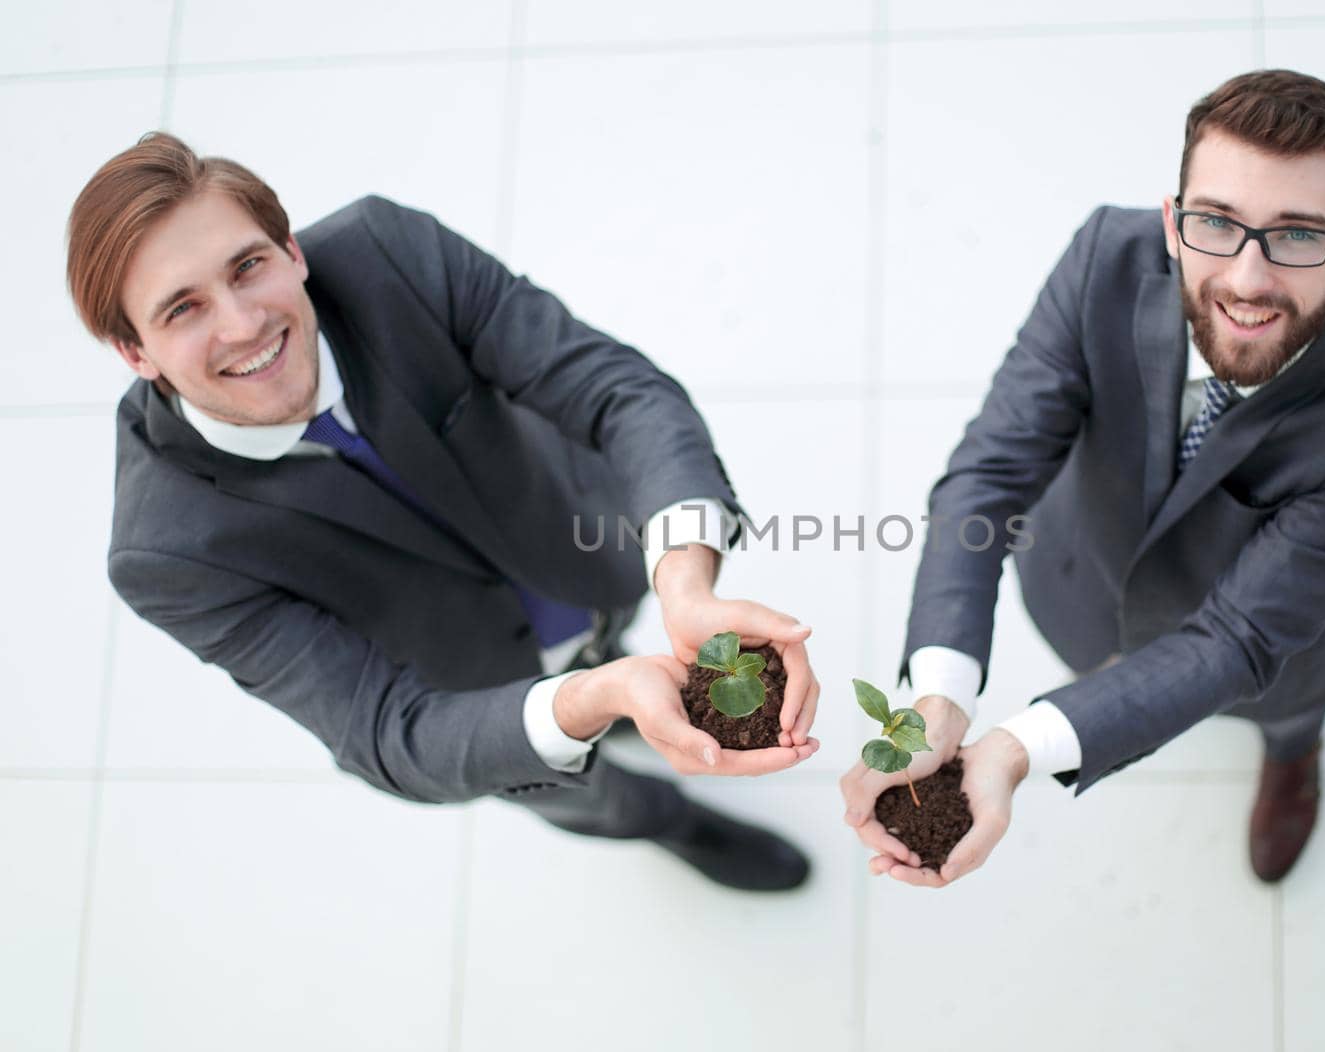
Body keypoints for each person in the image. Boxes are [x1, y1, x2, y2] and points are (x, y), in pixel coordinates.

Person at [68, 132, 821, 891]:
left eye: (247, 266)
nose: (242, 325)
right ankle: (674, 823)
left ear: (292, 250)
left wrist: (686, 588)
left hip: (575, 547)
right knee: (595, 794)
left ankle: (620, 677)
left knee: (619, 639)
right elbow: (384, 731)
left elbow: (620, 392)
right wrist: (585, 701)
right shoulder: (166, 550)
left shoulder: (382, 253)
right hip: (482, 697)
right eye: (183, 309)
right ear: (136, 353)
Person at [840, 69, 1325, 885]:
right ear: (1173, 224)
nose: (1247, 281)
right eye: (1217, 223)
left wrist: (1015, 748)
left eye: (1299, 235)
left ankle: (1294, 756)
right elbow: (987, 477)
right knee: (1105, 656)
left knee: (1288, 711)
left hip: (1269, 645)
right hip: (1081, 581)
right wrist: (939, 698)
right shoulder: (1105, 255)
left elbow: (1240, 637)